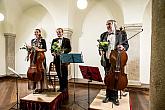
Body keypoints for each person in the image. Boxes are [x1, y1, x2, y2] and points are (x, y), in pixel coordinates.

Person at [99, 20, 129, 105]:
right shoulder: (103, 35)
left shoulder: (121, 33)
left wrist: (122, 47)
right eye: (106, 24)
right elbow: (100, 46)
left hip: (116, 60)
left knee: (116, 78)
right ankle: (108, 96)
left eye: (109, 24)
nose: (107, 26)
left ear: (114, 24)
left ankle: (115, 97)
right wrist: (100, 50)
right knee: (108, 77)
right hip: (106, 59)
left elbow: (126, 45)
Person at [51, 28, 71, 92]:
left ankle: (65, 87)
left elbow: (69, 49)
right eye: (57, 32)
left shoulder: (67, 40)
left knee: (64, 74)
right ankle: (61, 87)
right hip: (57, 59)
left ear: (62, 33)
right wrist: (53, 53)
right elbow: (52, 50)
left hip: (64, 59)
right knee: (59, 74)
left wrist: (63, 51)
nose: (58, 33)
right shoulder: (54, 40)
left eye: (59, 32)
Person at [27, 28, 48, 93]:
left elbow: (45, 49)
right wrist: (29, 49)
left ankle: (41, 88)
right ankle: (34, 87)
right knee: (33, 72)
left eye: (37, 32)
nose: (36, 33)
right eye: (35, 32)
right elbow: (32, 50)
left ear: (40, 33)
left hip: (40, 57)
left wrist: (38, 49)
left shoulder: (43, 40)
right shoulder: (32, 40)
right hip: (34, 57)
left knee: (40, 72)